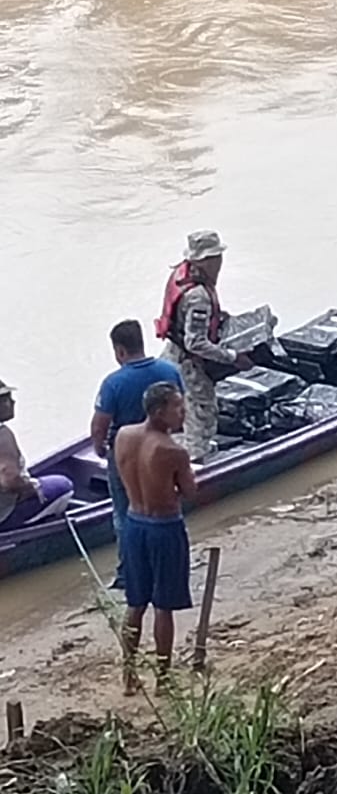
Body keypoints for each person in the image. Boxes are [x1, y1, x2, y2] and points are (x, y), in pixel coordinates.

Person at [114, 381, 197, 694]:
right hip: (163, 527)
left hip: (134, 524)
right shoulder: (173, 451)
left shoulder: (124, 435)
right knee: (164, 606)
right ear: (159, 412)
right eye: (178, 406)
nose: (183, 411)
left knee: (135, 603)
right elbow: (189, 492)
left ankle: (129, 674)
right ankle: (163, 679)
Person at [90, 320, 183, 592]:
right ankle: (164, 566)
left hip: (125, 454)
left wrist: (100, 449)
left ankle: (128, 573)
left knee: (124, 514)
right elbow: (181, 412)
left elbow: (100, 425)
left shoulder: (113, 383)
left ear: (119, 350)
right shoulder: (169, 371)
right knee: (164, 508)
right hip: (163, 453)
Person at [156, 230, 252, 463]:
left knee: (176, 410)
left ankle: (175, 449)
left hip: (170, 355)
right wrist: (231, 356)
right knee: (202, 413)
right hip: (189, 365)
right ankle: (197, 460)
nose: (220, 263)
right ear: (204, 261)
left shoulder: (180, 274)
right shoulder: (198, 295)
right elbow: (195, 342)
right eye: (215, 258)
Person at [0, 380, 74, 533]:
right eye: (7, 399)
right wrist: (32, 488)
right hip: (3, 515)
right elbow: (10, 480)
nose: (13, 402)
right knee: (63, 485)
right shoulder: (3, 436)